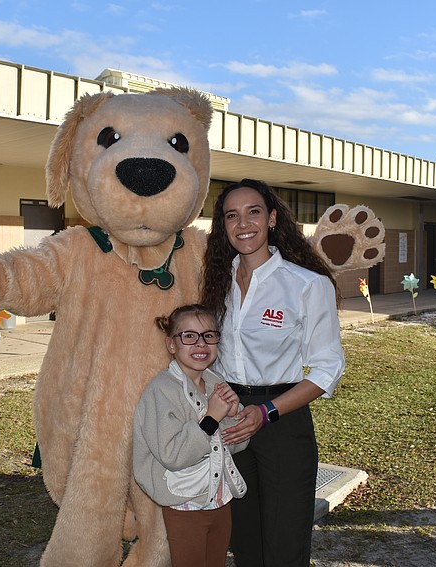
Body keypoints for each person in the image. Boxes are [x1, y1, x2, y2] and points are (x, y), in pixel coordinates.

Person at [200, 179, 346, 567]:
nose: (243, 223)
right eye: (231, 215)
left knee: (284, 544)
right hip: (230, 418)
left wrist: (265, 412)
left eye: (253, 212)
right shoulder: (216, 281)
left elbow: (328, 367)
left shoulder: (306, 284)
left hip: (282, 420)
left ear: (272, 219)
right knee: (245, 540)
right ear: (223, 225)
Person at [133, 304, 250, 567]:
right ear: (171, 344)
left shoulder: (216, 382)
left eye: (209, 335)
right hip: (186, 505)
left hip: (220, 499)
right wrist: (212, 418)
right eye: (189, 336)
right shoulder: (161, 391)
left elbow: (237, 444)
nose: (200, 344)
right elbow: (172, 455)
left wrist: (233, 415)